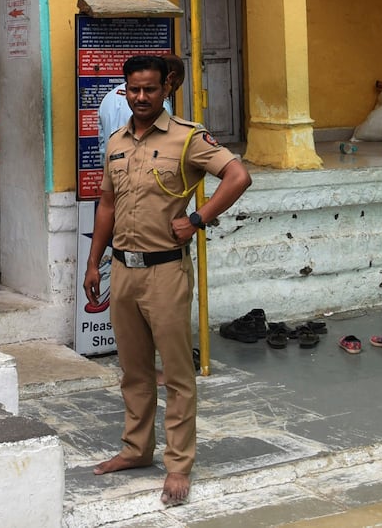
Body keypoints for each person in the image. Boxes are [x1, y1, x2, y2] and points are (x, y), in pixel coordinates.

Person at [84, 54, 251, 507]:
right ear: (126, 89)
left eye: (149, 90)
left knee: (176, 375)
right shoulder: (117, 141)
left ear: (165, 90)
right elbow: (106, 205)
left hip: (166, 273)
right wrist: (93, 261)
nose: (140, 97)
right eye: (133, 89)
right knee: (133, 371)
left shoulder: (188, 138)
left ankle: (178, 465)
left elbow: (238, 175)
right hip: (122, 271)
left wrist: (198, 218)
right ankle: (136, 450)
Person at [97, 55, 186, 155]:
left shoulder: (108, 98)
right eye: (176, 86)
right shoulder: (158, 103)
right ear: (170, 78)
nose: (172, 91)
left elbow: (103, 148)